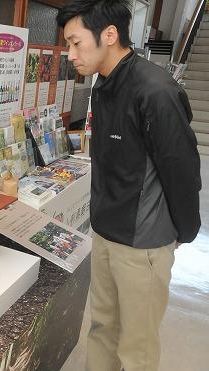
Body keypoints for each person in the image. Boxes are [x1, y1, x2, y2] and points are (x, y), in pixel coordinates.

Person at [56, 1, 202, 371]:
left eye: (75, 43)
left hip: (144, 245)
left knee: (136, 346)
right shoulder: (104, 85)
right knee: (103, 327)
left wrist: (185, 229)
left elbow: (181, 168)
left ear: (109, 35)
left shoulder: (155, 91)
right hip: (106, 232)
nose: (70, 54)